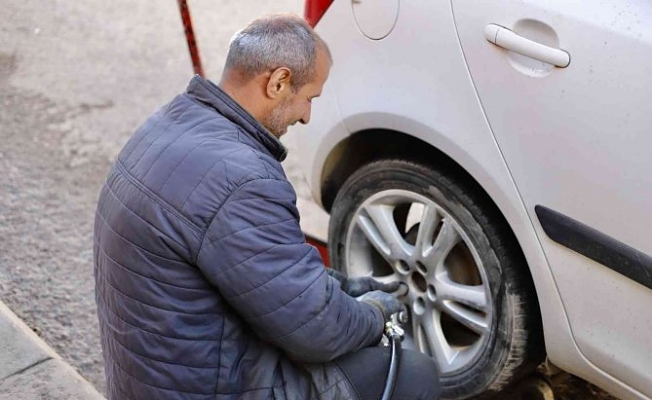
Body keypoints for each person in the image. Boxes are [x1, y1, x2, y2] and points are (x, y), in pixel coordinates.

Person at [94, 14, 441, 400]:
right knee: (416, 374)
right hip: (207, 388)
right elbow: (316, 329)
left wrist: (345, 288)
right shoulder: (242, 179)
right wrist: (375, 313)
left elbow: (262, 273)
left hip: (157, 376)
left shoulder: (168, 124)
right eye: (309, 97)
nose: (307, 115)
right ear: (277, 82)